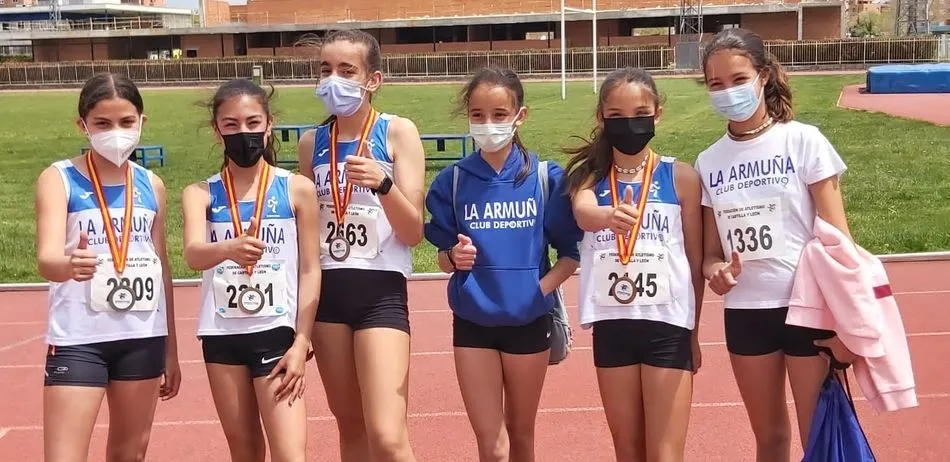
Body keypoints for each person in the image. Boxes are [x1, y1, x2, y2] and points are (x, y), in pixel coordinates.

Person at [694, 28, 853, 462]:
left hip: (808, 308)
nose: (728, 92)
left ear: (763, 77)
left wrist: (846, 320)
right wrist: (715, 273)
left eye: (738, 79)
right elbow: (710, 255)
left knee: (816, 437)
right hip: (746, 313)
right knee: (769, 439)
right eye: (716, 85)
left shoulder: (804, 140)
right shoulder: (708, 162)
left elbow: (840, 239)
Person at [424, 67, 582, 462]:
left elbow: (570, 255)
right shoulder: (452, 182)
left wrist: (538, 291)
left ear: (520, 115)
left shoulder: (545, 178)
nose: (488, 124)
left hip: (528, 324)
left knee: (522, 436)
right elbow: (442, 257)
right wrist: (452, 258)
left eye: (499, 114)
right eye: (478, 115)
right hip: (473, 324)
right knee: (492, 447)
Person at [35, 72, 181, 461]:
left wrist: (171, 350)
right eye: (102, 123)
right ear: (82, 124)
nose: (115, 132)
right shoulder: (58, 178)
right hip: (79, 339)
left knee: (129, 453)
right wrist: (68, 265)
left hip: (143, 337)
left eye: (126, 122)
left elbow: (161, 265)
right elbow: (47, 259)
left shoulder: (152, 184)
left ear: (141, 123)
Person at [295, 30, 426, 462]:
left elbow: (413, 232)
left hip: (380, 294)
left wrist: (384, 184)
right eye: (325, 70)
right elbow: (305, 236)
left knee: (387, 435)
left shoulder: (397, 132)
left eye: (347, 71)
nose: (334, 80)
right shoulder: (312, 144)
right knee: (350, 428)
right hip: (328, 296)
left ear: (374, 79)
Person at [563, 67, 704, 461]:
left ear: (658, 113)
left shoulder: (682, 177)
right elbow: (583, 213)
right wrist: (607, 217)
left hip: (668, 326)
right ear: (602, 119)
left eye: (640, 113)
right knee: (628, 450)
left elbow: (694, 263)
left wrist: (694, 332)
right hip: (613, 326)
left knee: (665, 453)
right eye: (617, 116)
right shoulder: (589, 178)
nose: (630, 124)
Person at [181, 79, 321, 462]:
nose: (243, 133)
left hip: (275, 334)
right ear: (217, 131)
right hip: (221, 335)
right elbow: (193, 254)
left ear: (269, 124)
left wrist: (302, 339)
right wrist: (228, 248)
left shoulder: (297, 189)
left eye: (252, 122)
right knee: (244, 450)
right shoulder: (201, 194)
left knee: (290, 454)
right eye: (231, 125)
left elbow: (311, 268)